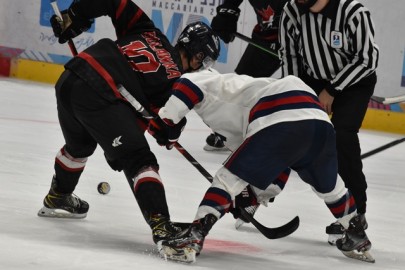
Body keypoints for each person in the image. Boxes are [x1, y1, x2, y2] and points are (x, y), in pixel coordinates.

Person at [37, 0, 220, 246]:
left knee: (79, 147)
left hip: (71, 76)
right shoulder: (175, 82)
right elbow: (167, 125)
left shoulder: (149, 31)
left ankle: (59, 196)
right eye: (205, 62)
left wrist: (75, 16)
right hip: (99, 93)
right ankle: (162, 227)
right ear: (198, 56)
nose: (202, 68)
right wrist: (171, 133)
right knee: (139, 160)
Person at [152, 68, 374, 263]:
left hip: (281, 115)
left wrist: (167, 123)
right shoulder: (246, 103)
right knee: (332, 188)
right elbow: (276, 165)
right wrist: (253, 195)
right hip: (320, 123)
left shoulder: (210, 80)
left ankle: (193, 237)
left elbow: (187, 85)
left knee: (226, 180)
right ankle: (357, 235)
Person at [278, 0, 379, 245]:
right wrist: (294, 93)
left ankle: (356, 213)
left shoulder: (353, 12)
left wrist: (332, 90)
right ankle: (255, 197)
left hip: (355, 82)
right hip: (312, 79)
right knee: (286, 130)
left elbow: (367, 59)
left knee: (342, 136)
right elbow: (289, 55)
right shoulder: (292, 11)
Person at [204, 0, 288, 152]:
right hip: (267, 37)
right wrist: (227, 13)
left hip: (303, 40)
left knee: (303, 90)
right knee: (241, 86)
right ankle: (229, 132)